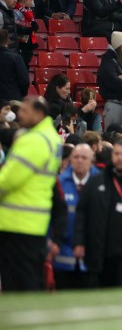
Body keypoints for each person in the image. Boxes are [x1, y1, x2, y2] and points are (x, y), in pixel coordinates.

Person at [0, 96, 61, 291]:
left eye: (24, 111)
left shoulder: (34, 140)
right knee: (29, 279)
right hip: (32, 221)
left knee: (19, 282)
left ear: (38, 113)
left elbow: (8, 179)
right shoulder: (49, 136)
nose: (19, 114)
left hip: (17, 222)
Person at [73, 139, 122, 288]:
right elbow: (81, 211)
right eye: (117, 153)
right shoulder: (97, 181)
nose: (120, 157)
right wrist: (79, 242)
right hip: (102, 254)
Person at [53, 143, 98, 289]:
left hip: (92, 258)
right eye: (76, 157)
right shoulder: (59, 183)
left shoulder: (101, 184)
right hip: (62, 256)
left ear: (92, 161)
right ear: (70, 160)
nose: (79, 160)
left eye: (84, 157)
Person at [0, 29, 28, 102]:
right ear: (8, 41)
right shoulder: (16, 58)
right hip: (12, 98)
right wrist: (20, 94)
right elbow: (24, 80)